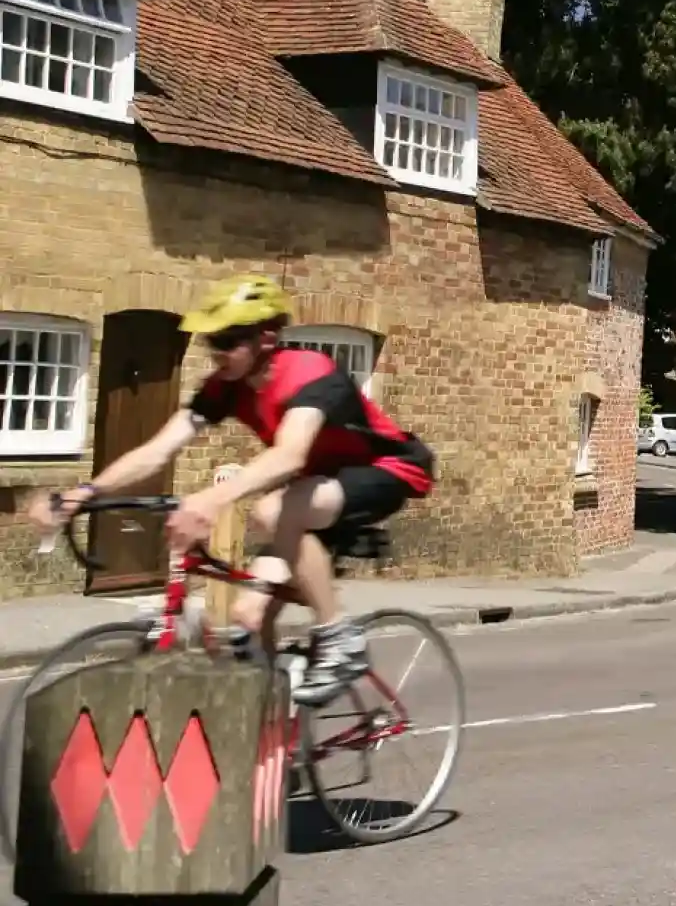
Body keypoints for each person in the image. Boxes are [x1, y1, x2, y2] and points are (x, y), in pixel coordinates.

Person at [30, 276, 435, 705]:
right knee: (247, 616)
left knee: (273, 511)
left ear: (266, 338)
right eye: (211, 341)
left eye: (227, 340)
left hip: (385, 471)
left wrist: (211, 498)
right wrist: (85, 493)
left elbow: (289, 456)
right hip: (311, 499)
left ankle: (340, 639)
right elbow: (157, 450)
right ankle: (280, 742)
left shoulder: (311, 372)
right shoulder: (226, 387)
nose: (217, 352)